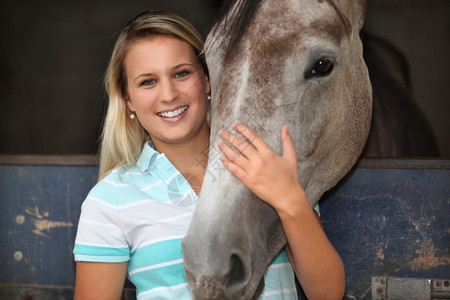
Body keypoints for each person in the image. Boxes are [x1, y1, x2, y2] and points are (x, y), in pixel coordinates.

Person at [73, 10, 345, 300]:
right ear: (128, 98)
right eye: (148, 82)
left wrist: (290, 199)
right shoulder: (110, 199)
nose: (168, 95)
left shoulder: (265, 163)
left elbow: (327, 293)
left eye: (181, 73)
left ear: (207, 79)